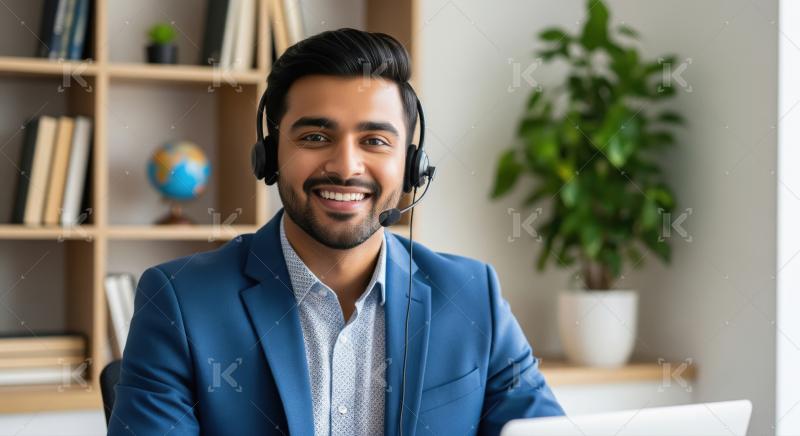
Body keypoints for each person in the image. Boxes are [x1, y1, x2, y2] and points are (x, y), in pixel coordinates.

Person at [108, 27, 564, 436]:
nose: (346, 166)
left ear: (411, 166)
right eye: (315, 138)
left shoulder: (471, 296)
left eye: (375, 141)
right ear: (269, 156)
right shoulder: (180, 300)